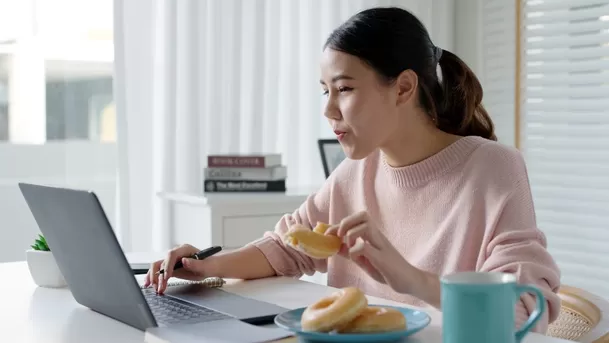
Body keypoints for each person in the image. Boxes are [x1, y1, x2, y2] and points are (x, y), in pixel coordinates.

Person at [145, 7, 561, 333]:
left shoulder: (492, 167)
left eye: (344, 89)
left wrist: (411, 280)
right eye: (325, 91)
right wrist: (205, 266)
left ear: (402, 87)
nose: (327, 110)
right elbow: (287, 248)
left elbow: (524, 312)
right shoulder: (355, 172)